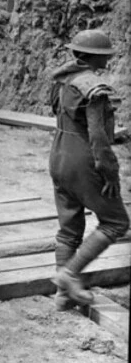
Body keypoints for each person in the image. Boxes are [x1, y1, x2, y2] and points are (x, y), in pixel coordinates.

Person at [48, 29, 129, 308]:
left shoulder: (61, 81)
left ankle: (62, 296)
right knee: (116, 222)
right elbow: (97, 136)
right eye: (105, 56)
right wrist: (109, 171)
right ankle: (69, 275)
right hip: (84, 159)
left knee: (69, 229)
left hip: (58, 155)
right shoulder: (93, 88)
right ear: (96, 57)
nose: (107, 61)